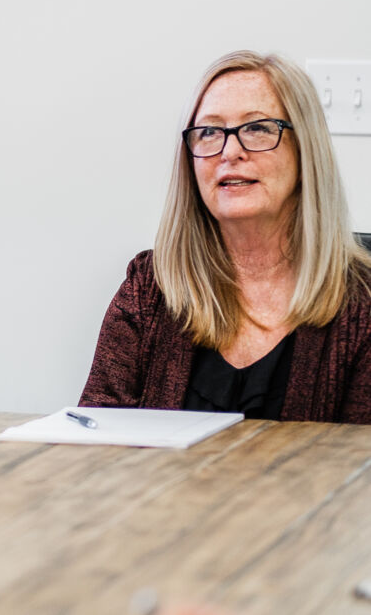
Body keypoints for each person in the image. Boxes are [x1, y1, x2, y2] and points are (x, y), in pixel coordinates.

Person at [80, 51, 371, 422]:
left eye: (258, 128)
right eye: (209, 132)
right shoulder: (150, 289)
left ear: (306, 151)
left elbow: (359, 464)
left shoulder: (362, 304)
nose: (230, 152)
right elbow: (93, 440)